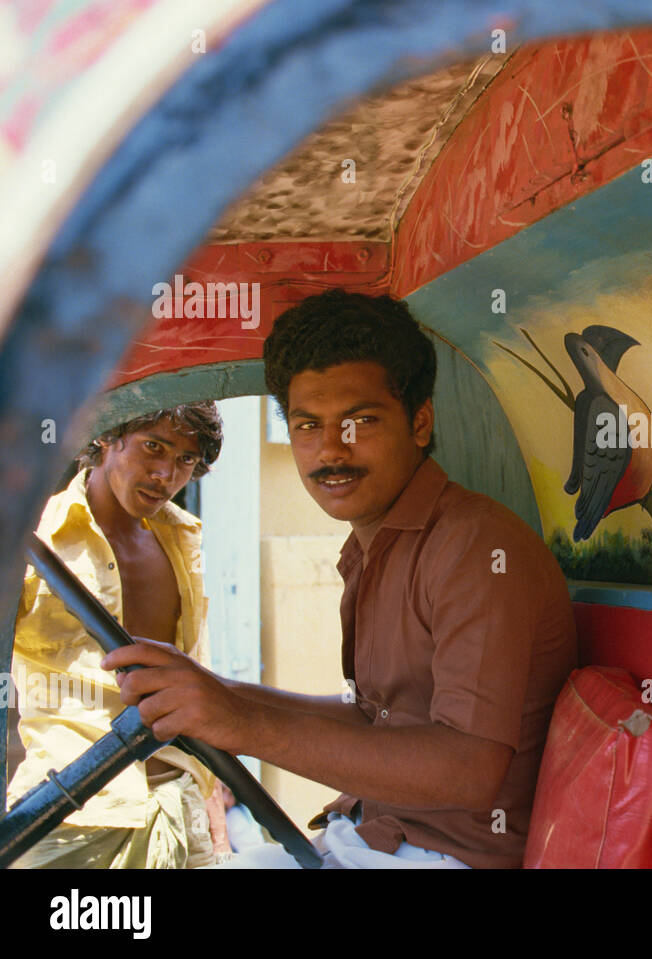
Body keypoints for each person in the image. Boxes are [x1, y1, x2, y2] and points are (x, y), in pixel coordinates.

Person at [104, 290, 579, 869]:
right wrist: (214, 692)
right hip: (373, 834)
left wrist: (241, 722)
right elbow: (373, 717)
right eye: (308, 425)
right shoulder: (374, 544)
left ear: (420, 422)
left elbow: (470, 767)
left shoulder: (476, 546)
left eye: (360, 422)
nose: (331, 450)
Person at [8, 402, 230, 868]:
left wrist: (213, 781)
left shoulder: (180, 537)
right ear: (107, 436)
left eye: (186, 460)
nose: (166, 474)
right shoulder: (34, 537)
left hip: (180, 805)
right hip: (71, 813)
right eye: (154, 447)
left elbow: (195, 671)